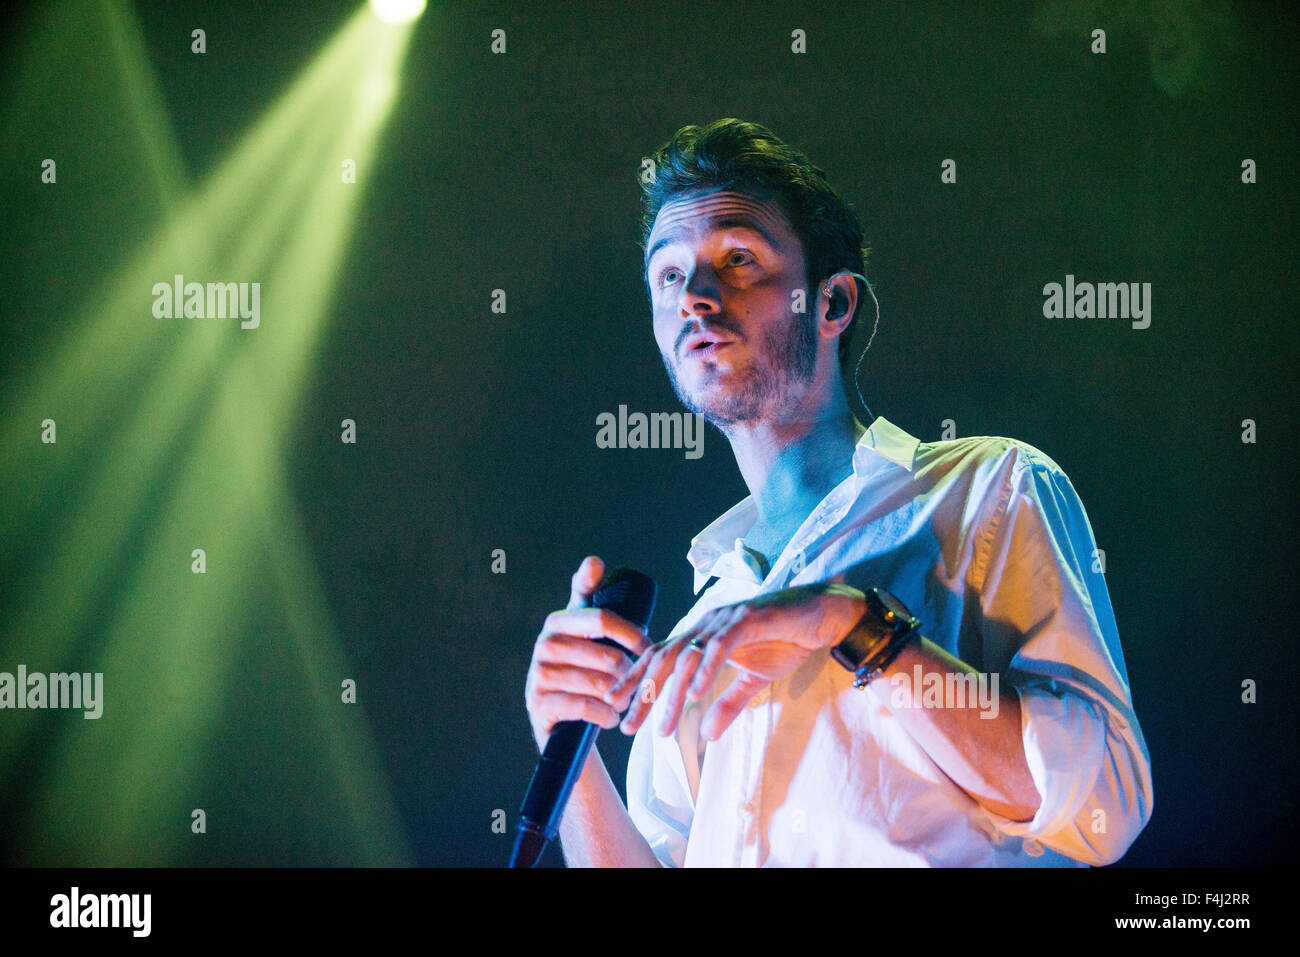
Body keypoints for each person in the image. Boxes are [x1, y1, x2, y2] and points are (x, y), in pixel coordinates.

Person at [523, 118, 1153, 867]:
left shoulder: (989, 491)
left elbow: (1103, 805)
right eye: (668, 275)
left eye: (738, 259)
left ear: (832, 304)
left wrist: (852, 621)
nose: (693, 295)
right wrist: (568, 739)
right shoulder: (702, 626)